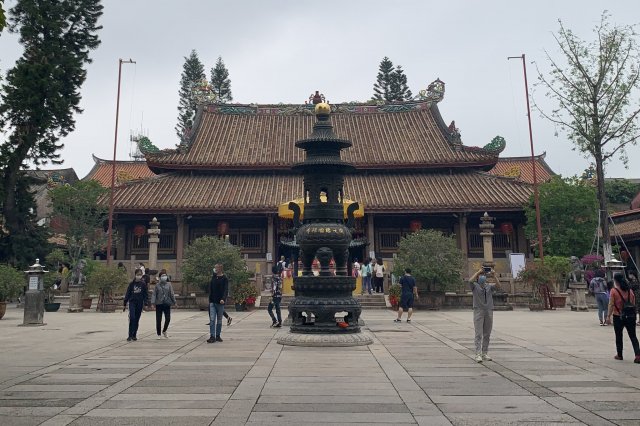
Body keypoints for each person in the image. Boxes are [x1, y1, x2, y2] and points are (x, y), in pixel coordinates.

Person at [605, 273, 640, 363]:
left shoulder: (614, 291)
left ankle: (619, 355)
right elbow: (633, 303)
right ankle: (638, 355)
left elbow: (611, 304)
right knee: (633, 336)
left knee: (619, 335)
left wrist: (608, 316)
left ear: (616, 281)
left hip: (618, 316)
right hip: (630, 316)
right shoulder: (630, 291)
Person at [469, 267, 499, 363]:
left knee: (487, 333)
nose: (483, 277)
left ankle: (484, 352)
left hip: (489, 310)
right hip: (478, 311)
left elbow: (498, 286)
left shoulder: (489, 286)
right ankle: (478, 353)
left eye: (484, 275)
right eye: (481, 276)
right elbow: (470, 281)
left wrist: (494, 276)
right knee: (478, 333)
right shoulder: (475, 286)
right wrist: (478, 272)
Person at [123, 268, 149, 342]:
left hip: (139, 303)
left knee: (137, 319)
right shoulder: (131, 284)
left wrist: (146, 303)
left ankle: (134, 334)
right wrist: (125, 303)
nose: (139, 276)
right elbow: (128, 293)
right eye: (138, 275)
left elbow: (145, 294)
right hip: (132, 302)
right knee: (132, 317)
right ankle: (130, 335)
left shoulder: (143, 284)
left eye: (140, 275)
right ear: (135, 275)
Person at [151, 269, 176, 339]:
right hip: (159, 304)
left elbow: (172, 294)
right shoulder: (157, 285)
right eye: (162, 276)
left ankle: (164, 330)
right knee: (158, 319)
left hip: (167, 303)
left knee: (168, 318)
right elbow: (154, 294)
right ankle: (158, 334)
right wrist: (153, 303)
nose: (164, 277)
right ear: (159, 277)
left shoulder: (169, 284)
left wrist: (175, 302)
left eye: (165, 275)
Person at [207, 263, 229, 343]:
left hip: (220, 302)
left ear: (220, 269)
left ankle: (218, 335)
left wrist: (223, 298)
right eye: (215, 267)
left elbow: (226, 290)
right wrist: (209, 299)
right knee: (212, 319)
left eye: (216, 268)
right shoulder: (213, 277)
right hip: (212, 301)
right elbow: (211, 288)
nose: (215, 269)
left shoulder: (224, 278)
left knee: (219, 320)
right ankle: (212, 336)